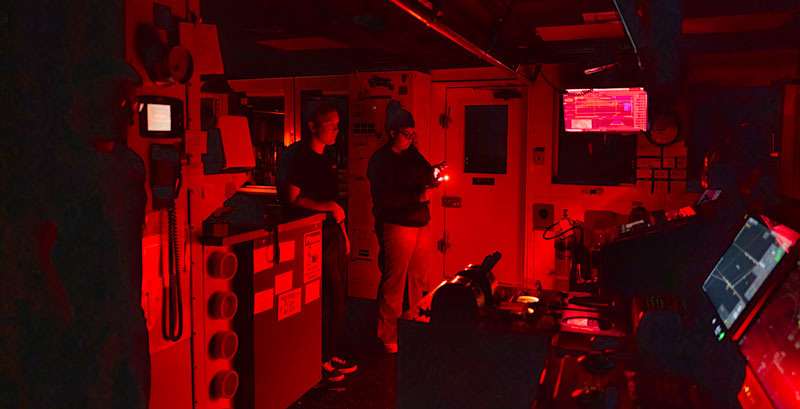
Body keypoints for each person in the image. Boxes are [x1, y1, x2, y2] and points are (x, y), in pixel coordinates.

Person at [276, 102, 356, 385]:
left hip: (331, 236)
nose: (336, 129)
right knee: (318, 302)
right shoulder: (296, 157)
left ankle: (328, 353)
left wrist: (343, 234)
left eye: (337, 124)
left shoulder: (324, 157)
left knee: (337, 301)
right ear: (312, 125)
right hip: (309, 238)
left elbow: (333, 205)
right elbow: (292, 198)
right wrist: (328, 207)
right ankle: (317, 361)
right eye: (330, 124)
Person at [367, 101, 441, 353]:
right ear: (392, 133)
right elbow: (385, 199)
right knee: (394, 281)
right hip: (397, 225)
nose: (411, 140)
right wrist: (416, 198)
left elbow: (426, 176)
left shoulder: (412, 155)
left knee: (418, 278)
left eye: (413, 135)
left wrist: (436, 173)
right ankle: (388, 335)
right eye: (406, 135)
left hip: (420, 222)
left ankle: (416, 326)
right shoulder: (381, 161)